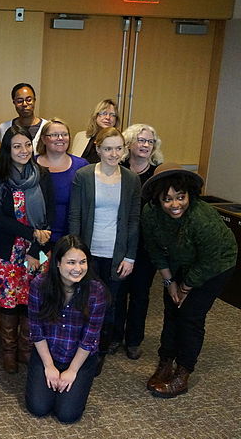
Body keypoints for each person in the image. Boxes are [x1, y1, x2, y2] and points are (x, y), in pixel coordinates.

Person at [141, 164, 236, 397]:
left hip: (215, 265)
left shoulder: (202, 217)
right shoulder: (150, 213)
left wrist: (184, 287)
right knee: (171, 311)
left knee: (190, 316)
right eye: (167, 199)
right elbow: (154, 249)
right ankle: (165, 362)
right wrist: (169, 282)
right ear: (157, 200)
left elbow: (210, 260)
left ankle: (183, 373)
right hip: (178, 263)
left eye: (180, 197)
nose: (175, 205)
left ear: (188, 195)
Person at [0, 125, 54, 373]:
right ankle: (8, 352)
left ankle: (26, 349)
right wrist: (30, 233)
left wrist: (35, 247)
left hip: (37, 249)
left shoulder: (42, 175)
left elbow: (49, 216)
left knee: (30, 300)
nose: (23, 150)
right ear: (7, 149)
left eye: (27, 145)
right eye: (17, 146)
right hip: (6, 250)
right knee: (8, 303)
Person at [69, 127, 140, 366]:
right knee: (83, 301)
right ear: (97, 149)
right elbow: (75, 216)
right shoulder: (84, 175)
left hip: (116, 253)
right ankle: (80, 348)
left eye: (118, 148)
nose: (113, 153)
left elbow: (133, 220)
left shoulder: (131, 179)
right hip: (88, 252)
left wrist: (130, 256)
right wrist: (75, 252)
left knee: (108, 304)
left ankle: (98, 351)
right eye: (107, 148)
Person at [25, 235, 107, 424]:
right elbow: (36, 329)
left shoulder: (96, 291)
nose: (78, 269)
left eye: (83, 262)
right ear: (58, 263)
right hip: (48, 351)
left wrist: (72, 370)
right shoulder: (39, 285)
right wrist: (48, 365)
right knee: (38, 408)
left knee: (67, 415)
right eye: (71, 262)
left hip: (79, 356)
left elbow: (90, 338)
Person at [113, 124, 164, 359]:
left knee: (140, 293)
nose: (145, 145)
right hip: (120, 241)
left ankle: (134, 340)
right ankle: (114, 336)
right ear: (130, 143)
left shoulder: (159, 174)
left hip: (147, 245)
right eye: (141, 140)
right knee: (118, 291)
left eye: (150, 142)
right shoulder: (118, 169)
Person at [35, 119, 88, 243]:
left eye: (64, 134)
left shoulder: (82, 166)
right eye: (54, 135)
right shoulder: (31, 165)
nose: (60, 138)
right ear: (43, 139)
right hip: (37, 237)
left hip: (70, 237)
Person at [0, 83, 48, 152]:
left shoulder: (46, 127)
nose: (24, 104)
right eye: (20, 101)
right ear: (14, 103)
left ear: (34, 100)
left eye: (29, 100)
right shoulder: (5, 127)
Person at [70, 99, 119, 164]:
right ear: (96, 116)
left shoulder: (119, 141)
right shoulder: (80, 136)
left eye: (112, 115)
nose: (108, 117)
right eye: (104, 113)